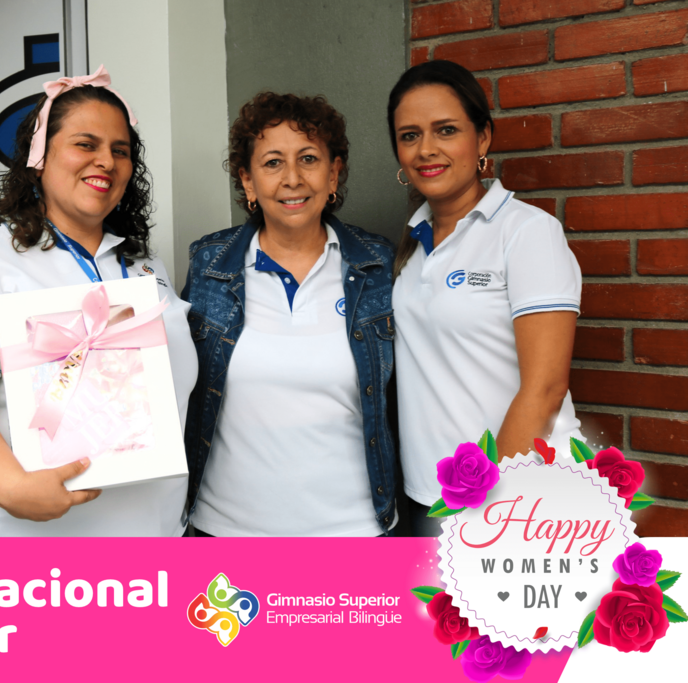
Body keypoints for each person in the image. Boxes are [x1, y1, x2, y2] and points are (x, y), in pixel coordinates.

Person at [0, 66, 197, 536]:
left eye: (120, 150)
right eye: (86, 144)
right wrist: (11, 487)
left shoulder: (145, 267)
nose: (106, 161)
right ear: (39, 157)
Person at [182, 92, 398, 537]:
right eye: (273, 163)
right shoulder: (209, 265)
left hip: (355, 533)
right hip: (225, 534)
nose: (292, 178)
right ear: (247, 181)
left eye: (308, 159)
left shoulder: (378, 266)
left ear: (333, 173)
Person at [388, 60, 582, 536]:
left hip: (513, 498)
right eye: (410, 135)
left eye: (446, 130)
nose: (426, 149)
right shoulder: (412, 243)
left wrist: (488, 505)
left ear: (483, 139)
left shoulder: (527, 232)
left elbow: (546, 389)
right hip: (427, 495)